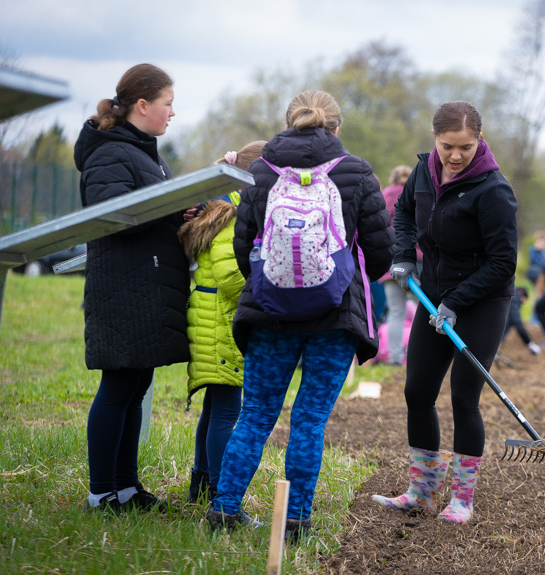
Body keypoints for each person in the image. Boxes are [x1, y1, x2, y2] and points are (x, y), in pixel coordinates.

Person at [206, 90, 394, 539]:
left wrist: (271, 283)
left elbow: (242, 244)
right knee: (308, 420)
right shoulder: (357, 172)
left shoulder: (261, 171)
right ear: (336, 127)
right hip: (333, 317)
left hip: (269, 314)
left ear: (289, 121)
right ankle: (295, 520)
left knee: (254, 414)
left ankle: (224, 511)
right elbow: (381, 253)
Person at [371, 101, 518, 525]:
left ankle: (462, 500)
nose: (455, 155)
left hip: (482, 301)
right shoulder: (423, 171)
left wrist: (457, 303)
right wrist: (403, 256)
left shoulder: (493, 191)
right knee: (417, 392)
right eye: (448, 146)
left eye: (466, 147)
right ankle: (420, 493)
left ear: (480, 141)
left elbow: (502, 263)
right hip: (433, 294)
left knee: (463, 396)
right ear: (435, 138)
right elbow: (403, 215)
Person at [73, 63, 189, 513]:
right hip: (123, 288)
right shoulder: (110, 152)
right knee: (118, 387)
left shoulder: (146, 153)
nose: (172, 113)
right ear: (143, 105)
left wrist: (184, 212)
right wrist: (169, 210)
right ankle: (101, 491)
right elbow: (108, 212)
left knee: (136, 387)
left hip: (147, 284)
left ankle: (126, 487)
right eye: (168, 104)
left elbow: (150, 209)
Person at [177, 141, 265, 504]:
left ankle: (200, 484)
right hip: (221, 325)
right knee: (227, 410)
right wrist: (267, 294)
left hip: (210, 322)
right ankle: (219, 490)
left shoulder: (218, 209)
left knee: (215, 408)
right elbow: (232, 277)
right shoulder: (233, 215)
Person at [378, 165, 415, 365]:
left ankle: (394, 357)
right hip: (417, 260)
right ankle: (424, 356)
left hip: (392, 260)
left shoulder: (384, 196)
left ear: (392, 181)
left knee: (396, 312)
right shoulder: (416, 194)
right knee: (426, 310)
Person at [502, 286, 541, 355]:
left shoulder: (509, 294)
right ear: (522, 295)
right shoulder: (514, 300)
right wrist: (530, 343)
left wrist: (500, 339)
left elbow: (510, 322)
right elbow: (517, 323)